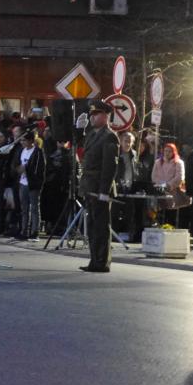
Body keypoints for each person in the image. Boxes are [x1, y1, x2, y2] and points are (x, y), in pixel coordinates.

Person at [77, 100, 119, 273]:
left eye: (96, 115)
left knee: (101, 226)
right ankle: (94, 260)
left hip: (100, 188)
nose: (92, 118)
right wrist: (79, 129)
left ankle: (102, 262)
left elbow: (110, 166)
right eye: (91, 115)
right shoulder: (93, 135)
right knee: (93, 226)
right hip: (90, 186)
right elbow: (83, 152)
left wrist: (104, 190)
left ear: (105, 116)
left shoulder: (109, 136)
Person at [16, 130, 46, 241]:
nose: (22, 142)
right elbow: (17, 163)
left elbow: (39, 169)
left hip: (33, 184)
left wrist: (26, 168)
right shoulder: (21, 150)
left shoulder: (38, 152)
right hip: (22, 182)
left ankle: (35, 232)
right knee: (24, 208)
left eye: (24, 140)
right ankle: (24, 230)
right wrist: (18, 169)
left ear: (30, 141)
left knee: (34, 208)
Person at [151, 142, 185, 226]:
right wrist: (161, 185)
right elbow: (154, 176)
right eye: (165, 151)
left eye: (169, 151)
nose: (167, 153)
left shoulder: (179, 163)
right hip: (160, 191)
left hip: (173, 192)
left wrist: (168, 185)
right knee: (159, 213)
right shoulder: (158, 162)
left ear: (174, 152)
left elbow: (179, 177)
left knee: (171, 214)